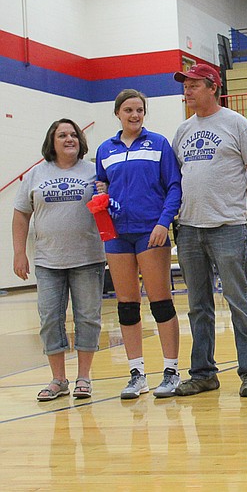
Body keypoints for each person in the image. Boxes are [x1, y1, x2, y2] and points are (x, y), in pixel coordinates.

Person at [171, 64, 247, 398]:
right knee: (198, 305)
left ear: (213, 87)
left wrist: (240, 211)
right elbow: (176, 180)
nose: (187, 91)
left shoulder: (236, 123)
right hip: (189, 229)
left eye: (194, 85)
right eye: (185, 86)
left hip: (228, 228)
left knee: (239, 301)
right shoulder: (182, 131)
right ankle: (202, 373)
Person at [95, 89, 182, 399]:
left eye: (139, 110)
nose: (134, 115)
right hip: (117, 235)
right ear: (118, 113)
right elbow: (101, 185)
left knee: (160, 302)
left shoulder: (158, 144)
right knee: (127, 306)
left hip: (151, 231)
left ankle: (171, 371)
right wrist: (99, 197)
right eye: (129, 110)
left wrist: (163, 222)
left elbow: (174, 186)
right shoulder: (106, 149)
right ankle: (137, 374)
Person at [12, 119, 105, 401]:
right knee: (50, 319)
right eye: (62, 135)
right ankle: (58, 379)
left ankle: (84, 377)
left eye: (73, 134)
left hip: (88, 258)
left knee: (87, 318)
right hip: (48, 261)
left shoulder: (94, 171)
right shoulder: (36, 174)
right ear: (51, 142)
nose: (69, 139)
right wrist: (19, 253)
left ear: (80, 140)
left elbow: (108, 207)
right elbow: (20, 214)